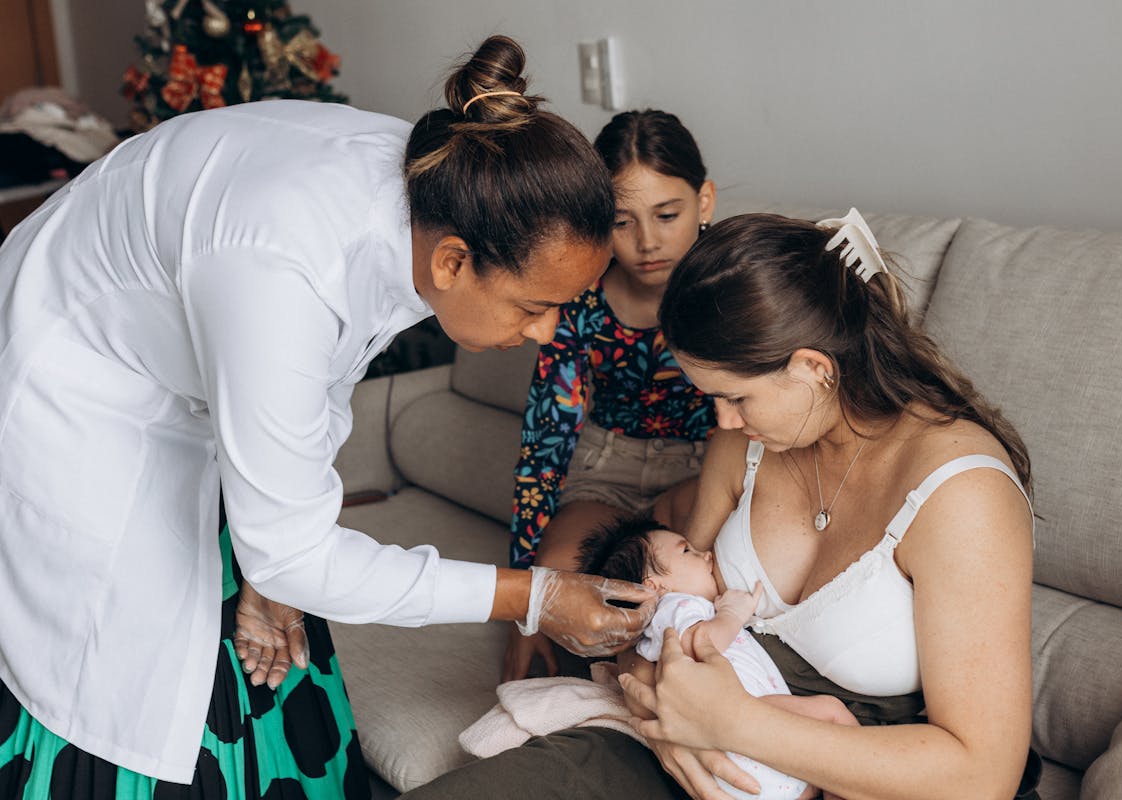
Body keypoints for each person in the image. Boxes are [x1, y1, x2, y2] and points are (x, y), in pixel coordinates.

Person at [0, 35, 656, 799]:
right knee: (124, 673)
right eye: (535, 307)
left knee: (270, 594)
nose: (546, 333)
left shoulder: (431, 187)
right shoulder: (284, 265)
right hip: (73, 388)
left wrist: (277, 564)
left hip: (181, 367)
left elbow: (320, 380)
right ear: (452, 263)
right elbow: (294, 519)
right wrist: (533, 595)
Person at [404, 210, 1040, 800]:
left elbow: (981, 773)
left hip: (862, 770)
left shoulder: (960, 494)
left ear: (816, 369)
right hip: (691, 728)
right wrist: (662, 710)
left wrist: (733, 724)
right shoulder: (744, 446)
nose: (722, 419)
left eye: (736, 396)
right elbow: (660, 598)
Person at [504, 109, 718, 681]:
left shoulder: (732, 279)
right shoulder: (580, 298)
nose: (648, 241)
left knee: (691, 584)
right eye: (622, 222)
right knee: (563, 591)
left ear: (704, 202)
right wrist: (526, 607)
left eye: (667, 215)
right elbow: (547, 441)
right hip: (605, 466)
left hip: (706, 467)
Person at [579, 515, 858, 800]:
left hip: (745, 760)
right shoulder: (674, 607)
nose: (706, 554)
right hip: (742, 721)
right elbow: (702, 643)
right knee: (831, 713)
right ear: (654, 586)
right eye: (686, 551)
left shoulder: (671, 617)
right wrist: (733, 613)